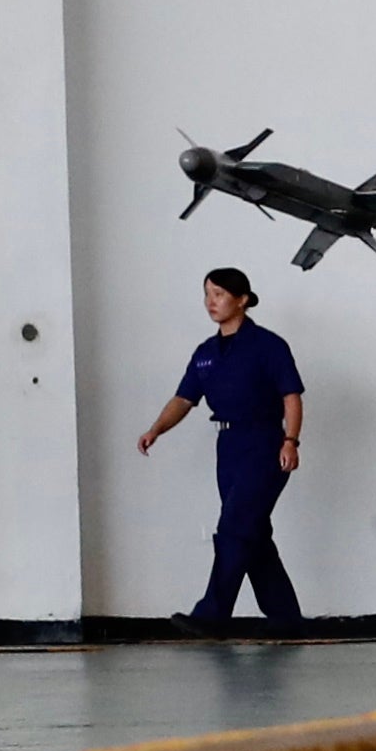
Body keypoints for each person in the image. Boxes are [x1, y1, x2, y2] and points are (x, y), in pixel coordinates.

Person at [137, 267, 309, 627]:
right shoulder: (206, 352)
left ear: (242, 299)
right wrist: (156, 429)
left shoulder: (268, 346)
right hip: (228, 445)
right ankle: (286, 617)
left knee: (234, 527)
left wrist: (290, 441)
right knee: (253, 533)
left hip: (263, 442)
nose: (210, 302)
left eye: (218, 294)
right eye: (207, 295)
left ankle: (212, 615)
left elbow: (291, 396)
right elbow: (184, 399)